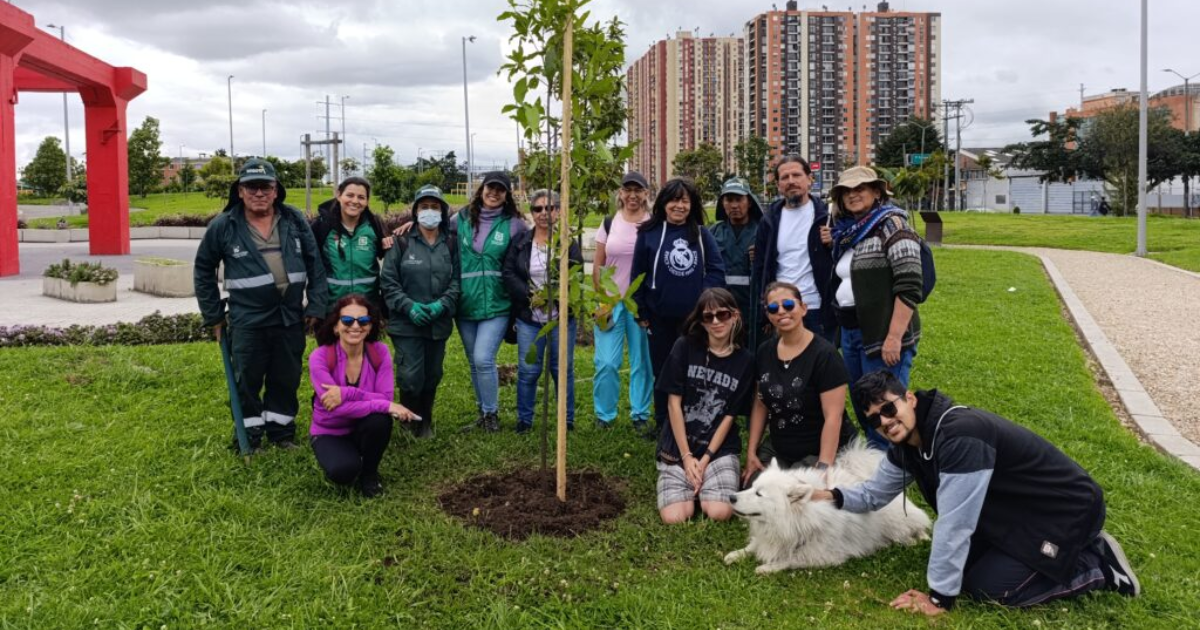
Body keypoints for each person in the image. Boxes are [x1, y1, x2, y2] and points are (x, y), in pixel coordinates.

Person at [810, 370, 1141, 615]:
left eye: (888, 409)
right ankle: (1063, 552)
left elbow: (955, 524)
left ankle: (1098, 565)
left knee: (993, 589)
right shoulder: (908, 444)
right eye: (874, 421)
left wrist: (938, 598)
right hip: (1013, 514)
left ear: (909, 399)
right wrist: (831, 497)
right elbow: (873, 494)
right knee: (968, 575)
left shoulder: (959, 437)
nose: (884, 422)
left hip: (1066, 510)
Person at [194, 158, 327, 449]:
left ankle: (281, 433)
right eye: (250, 187)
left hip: (290, 317)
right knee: (247, 382)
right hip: (248, 320)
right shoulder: (225, 225)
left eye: (265, 187)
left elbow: (315, 265)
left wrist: (316, 305)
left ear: (276, 190)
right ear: (239, 191)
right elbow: (203, 269)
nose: (258, 193)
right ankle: (250, 436)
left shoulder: (293, 220)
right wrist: (214, 315)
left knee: (286, 377)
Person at [829, 165, 922, 449]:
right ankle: (877, 465)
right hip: (852, 332)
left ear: (876, 192)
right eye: (846, 191)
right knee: (864, 405)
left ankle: (892, 470)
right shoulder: (849, 233)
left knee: (887, 408)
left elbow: (909, 285)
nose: (853, 195)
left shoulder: (892, 225)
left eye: (860, 189)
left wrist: (894, 338)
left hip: (883, 336)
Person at [631, 178, 726, 436]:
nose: (679, 206)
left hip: (693, 320)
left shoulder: (701, 234)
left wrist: (702, 301)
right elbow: (637, 275)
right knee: (662, 370)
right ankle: (664, 423)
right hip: (658, 318)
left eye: (685, 200)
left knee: (693, 370)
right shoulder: (648, 233)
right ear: (663, 203)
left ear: (691, 204)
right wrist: (641, 311)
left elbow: (717, 270)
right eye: (674, 199)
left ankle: (693, 421)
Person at [741, 281, 855, 485]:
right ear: (768, 315)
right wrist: (751, 452)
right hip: (780, 445)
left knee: (791, 493)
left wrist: (824, 466)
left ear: (803, 308)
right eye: (774, 308)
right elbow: (760, 404)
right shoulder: (764, 351)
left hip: (818, 448)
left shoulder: (825, 355)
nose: (782, 312)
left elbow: (833, 416)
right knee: (753, 485)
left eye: (788, 305)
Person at [655, 288, 754, 524]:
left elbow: (730, 415)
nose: (716, 321)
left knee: (720, 512)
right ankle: (694, 483)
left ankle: (705, 484)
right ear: (701, 321)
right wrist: (687, 457)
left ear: (735, 315)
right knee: (675, 517)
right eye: (708, 317)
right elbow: (673, 405)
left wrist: (706, 458)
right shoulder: (684, 347)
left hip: (719, 449)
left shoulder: (746, 361)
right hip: (678, 447)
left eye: (723, 314)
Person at [309, 295, 417, 497]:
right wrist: (378, 403)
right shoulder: (320, 357)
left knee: (380, 421)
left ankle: (369, 474)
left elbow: (384, 397)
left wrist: (345, 393)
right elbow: (336, 407)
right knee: (343, 473)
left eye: (364, 321)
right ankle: (347, 459)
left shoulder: (380, 352)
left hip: (363, 425)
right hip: (329, 430)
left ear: (370, 326)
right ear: (335, 326)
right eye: (347, 321)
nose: (355, 326)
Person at [380, 185, 460, 439]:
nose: (429, 212)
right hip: (407, 323)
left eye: (434, 207)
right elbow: (389, 283)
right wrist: (409, 306)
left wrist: (442, 304)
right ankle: (407, 419)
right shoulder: (401, 242)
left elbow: (458, 281)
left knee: (432, 374)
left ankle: (425, 420)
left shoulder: (451, 242)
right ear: (415, 211)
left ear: (443, 212)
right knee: (411, 376)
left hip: (438, 322)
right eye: (424, 207)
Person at [503, 189, 583, 434]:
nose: (544, 214)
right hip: (529, 319)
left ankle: (566, 421)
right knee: (528, 371)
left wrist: (555, 296)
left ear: (558, 211)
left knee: (562, 371)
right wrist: (531, 297)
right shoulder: (520, 242)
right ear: (532, 213)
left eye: (550, 208)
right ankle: (524, 420)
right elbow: (508, 273)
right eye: (538, 209)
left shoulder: (567, 243)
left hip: (560, 318)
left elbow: (576, 275)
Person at [455, 171, 528, 432]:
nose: (494, 193)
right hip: (465, 303)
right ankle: (482, 412)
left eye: (500, 189)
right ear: (481, 189)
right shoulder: (461, 219)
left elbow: (533, 248)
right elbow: (432, 230)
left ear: (507, 195)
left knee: (484, 357)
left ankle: (491, 414)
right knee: (474, 362)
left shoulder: (514, 224)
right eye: (490, 187)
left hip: (497, 303)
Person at [592, 172, 655, 432]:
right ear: (620, 193)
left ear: (646, 194)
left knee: (642, 361)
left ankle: (640, 414)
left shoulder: (653, 224)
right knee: (606, 362)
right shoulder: (609, 223)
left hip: (640, 303)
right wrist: (600, 300)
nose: (632, 195)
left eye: (637, 190)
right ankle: (604, 415)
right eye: (627, 190)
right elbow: (598, 264)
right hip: (611, 302)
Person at [751, 155, 836, 343]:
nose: (791, 181)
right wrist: (765, 309)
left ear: (809, 179)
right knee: (783, 367)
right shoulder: (769, 220)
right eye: (784, 177)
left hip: (816, 308)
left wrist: (834, 242)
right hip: (781, 309)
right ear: (778, 185)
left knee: (819, 368)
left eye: (796, 175)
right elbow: (760, 268)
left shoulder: (828, 216)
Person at [311, 176, 392, 313]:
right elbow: (312, 268)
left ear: (367, 201)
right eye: (350, 195)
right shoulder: (322, 226)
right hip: (332, 309)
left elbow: (387, 252)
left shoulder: (374, 224)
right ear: (338, 195)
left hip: (367, 308)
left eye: (361, 197)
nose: (355, 201)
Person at [710, 177, 765, 349]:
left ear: (749, 202)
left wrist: (761, 256)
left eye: (739, 199)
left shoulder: (763, 230)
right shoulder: (713, 232)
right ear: (723, 203)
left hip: (754, 310)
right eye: (729, 200)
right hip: (721, 309)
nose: (734, 205)